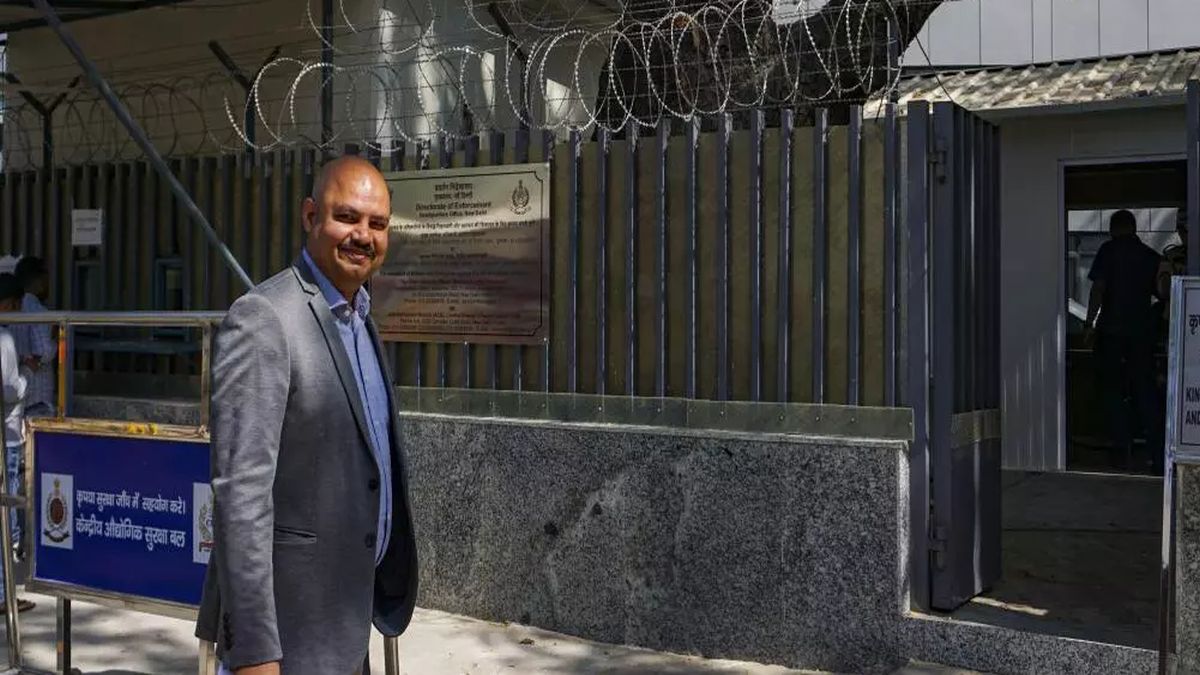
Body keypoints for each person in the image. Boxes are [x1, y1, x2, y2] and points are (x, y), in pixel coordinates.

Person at [195, 156, 418, 675]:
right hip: (285, 643)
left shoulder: (361, 321)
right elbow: (240, 496)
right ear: (310, 215)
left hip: (345, 627)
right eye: (347, 217)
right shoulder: (264, 319)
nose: (363, 235)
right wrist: (254, 653)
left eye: (377, 224)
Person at [1085, 209, 1164, 472]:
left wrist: (1089, 323)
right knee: (1145, 392)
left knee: (1113, 393)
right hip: (1141, 336)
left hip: (1112, 335)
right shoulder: (1150, 257)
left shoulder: (1108, 251)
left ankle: (1121, 451)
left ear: (1114, 228)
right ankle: (1157, 455)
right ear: (1133, 227)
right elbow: (1163, 294)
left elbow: (1098, 289)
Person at [0, 274, 33, 612]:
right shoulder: (5, 339)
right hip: (7, 436)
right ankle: (2, 594)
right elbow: (9, 390)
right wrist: (25, 376)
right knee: (5, 517)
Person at [14, 256, 55, 418]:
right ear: (38, 281)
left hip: (17, 398)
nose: (47, 285)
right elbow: (44, 351)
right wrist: (58, 339)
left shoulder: (12, 309)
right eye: (46, 280)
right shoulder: (38, 311)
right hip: (38, 399)